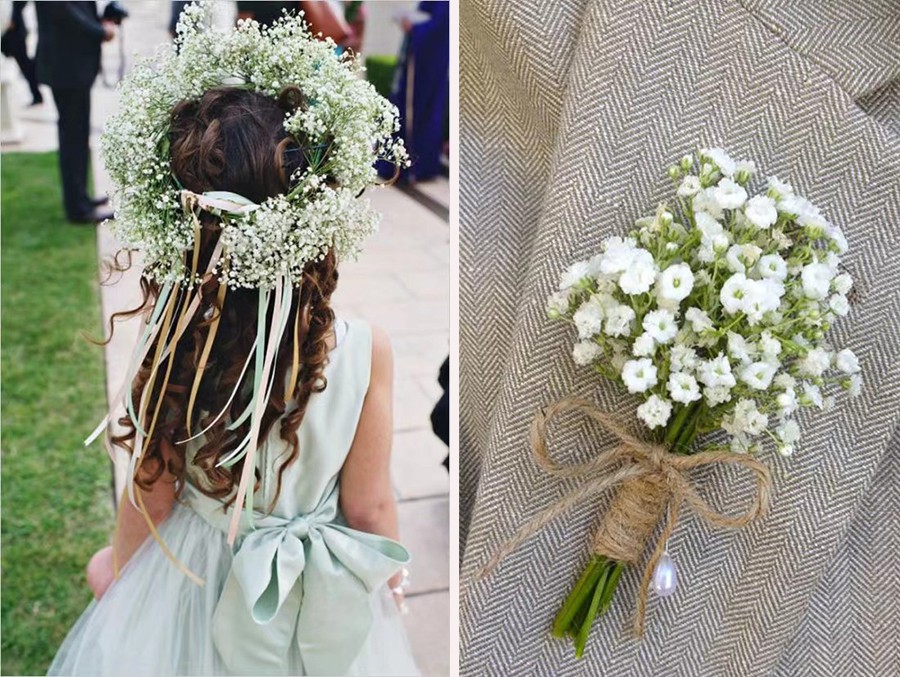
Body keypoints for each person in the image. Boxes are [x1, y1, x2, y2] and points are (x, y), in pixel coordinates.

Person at [47, 7, 416, 675]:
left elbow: (152, 494)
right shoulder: (366, 349)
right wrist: (388, 581)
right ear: (313, 227)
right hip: (314, 597)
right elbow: (368, 503)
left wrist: (123, 577)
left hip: (195, 580)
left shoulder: (175, 340)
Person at [34, 1, 114, 224]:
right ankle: (78, 208)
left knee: (78, 136)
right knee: (72, 137)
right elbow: (68, 14)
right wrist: (101, 31)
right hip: (66, 68)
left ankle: (82, 197)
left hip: (73, 67)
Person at [381, 2, 449, 183]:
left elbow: (441, 24)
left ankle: (413, 165)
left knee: (419, 110)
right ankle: (400, 163)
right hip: (422, 58)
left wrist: (414, 27)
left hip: (429, 63)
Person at [0, 1, 43, 106]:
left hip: (14, 33)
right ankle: (37, 90)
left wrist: (13, 19)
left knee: (25, 65)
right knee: (25, 65)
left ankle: (37, 91)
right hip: (9, 32)